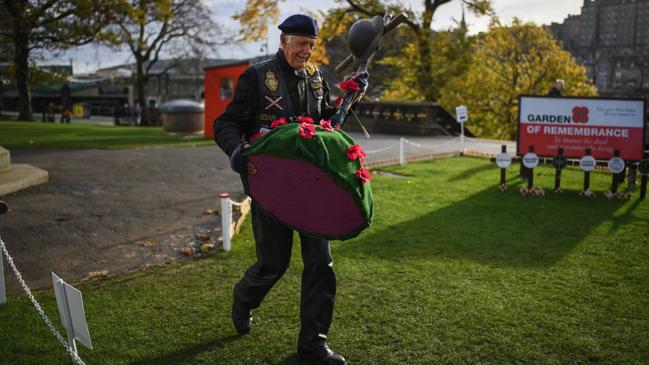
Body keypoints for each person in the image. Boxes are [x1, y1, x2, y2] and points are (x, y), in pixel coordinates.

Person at [213, 14, 365, 365]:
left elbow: (329, 124)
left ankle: (313, 345)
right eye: (300, 43)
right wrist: (238, 153)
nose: (306, 51)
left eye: (311, 45)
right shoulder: (255, 77)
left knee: (320, 263)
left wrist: (350, 98)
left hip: (313, 188)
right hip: (272, 187)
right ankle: (244, 298)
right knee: (273, 263)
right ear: (283, 40)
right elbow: (227, 123)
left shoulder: (316, 78)